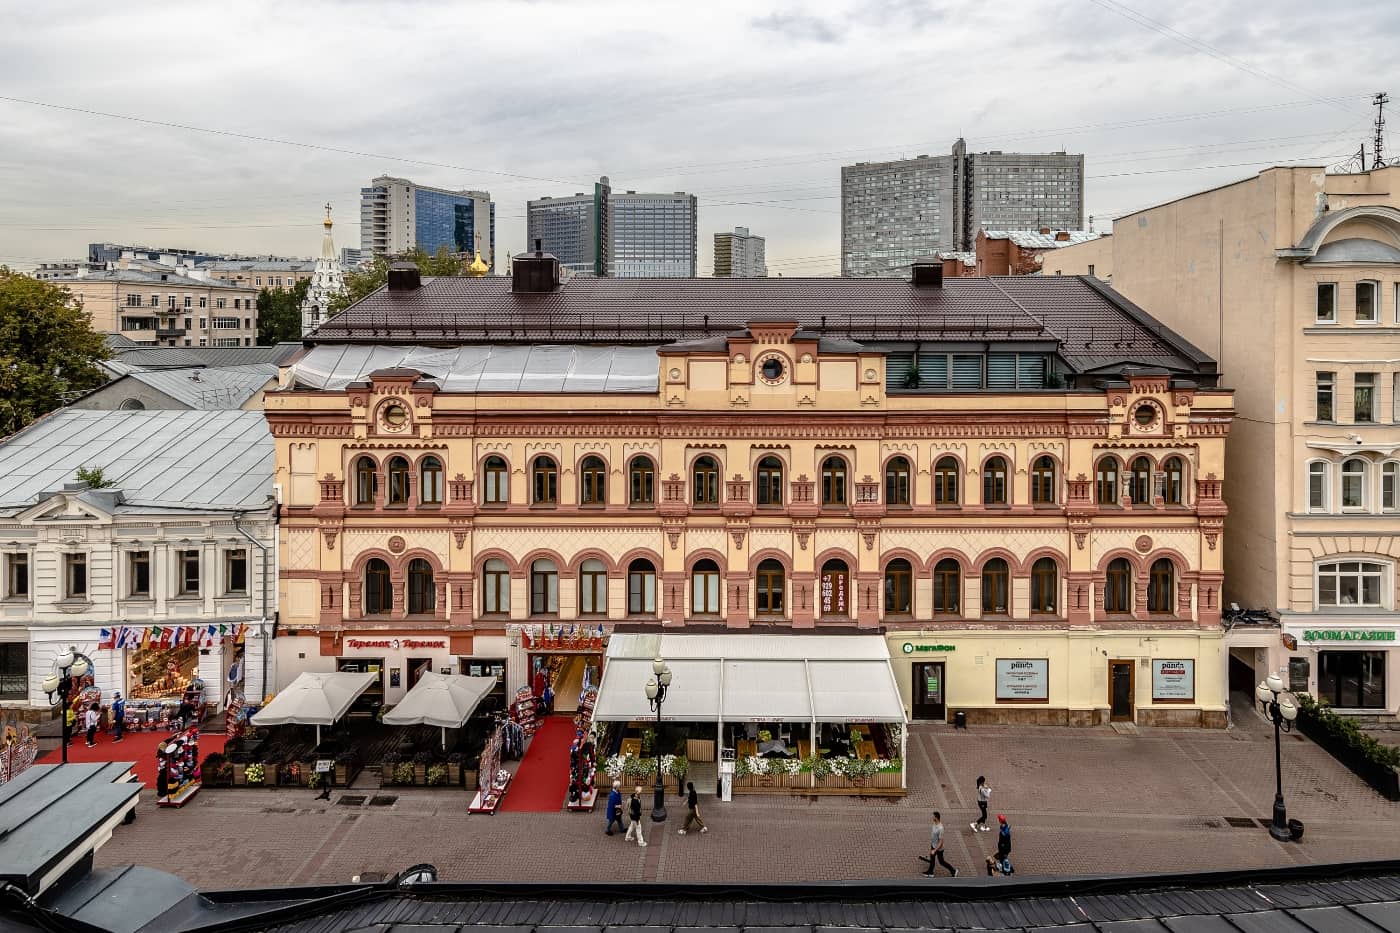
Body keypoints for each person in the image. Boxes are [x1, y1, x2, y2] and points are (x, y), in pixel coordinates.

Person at [924, 811, 957, 877]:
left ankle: (953, 871)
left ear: (936, 818)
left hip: (939, 848)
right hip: (933, 845)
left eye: (933, 816)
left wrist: (934, 850)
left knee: (941, 862)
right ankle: (930, 872)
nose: (932, 817)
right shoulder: (934, 823)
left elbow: (941, 842)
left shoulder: (940, 828)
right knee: (932, 858)